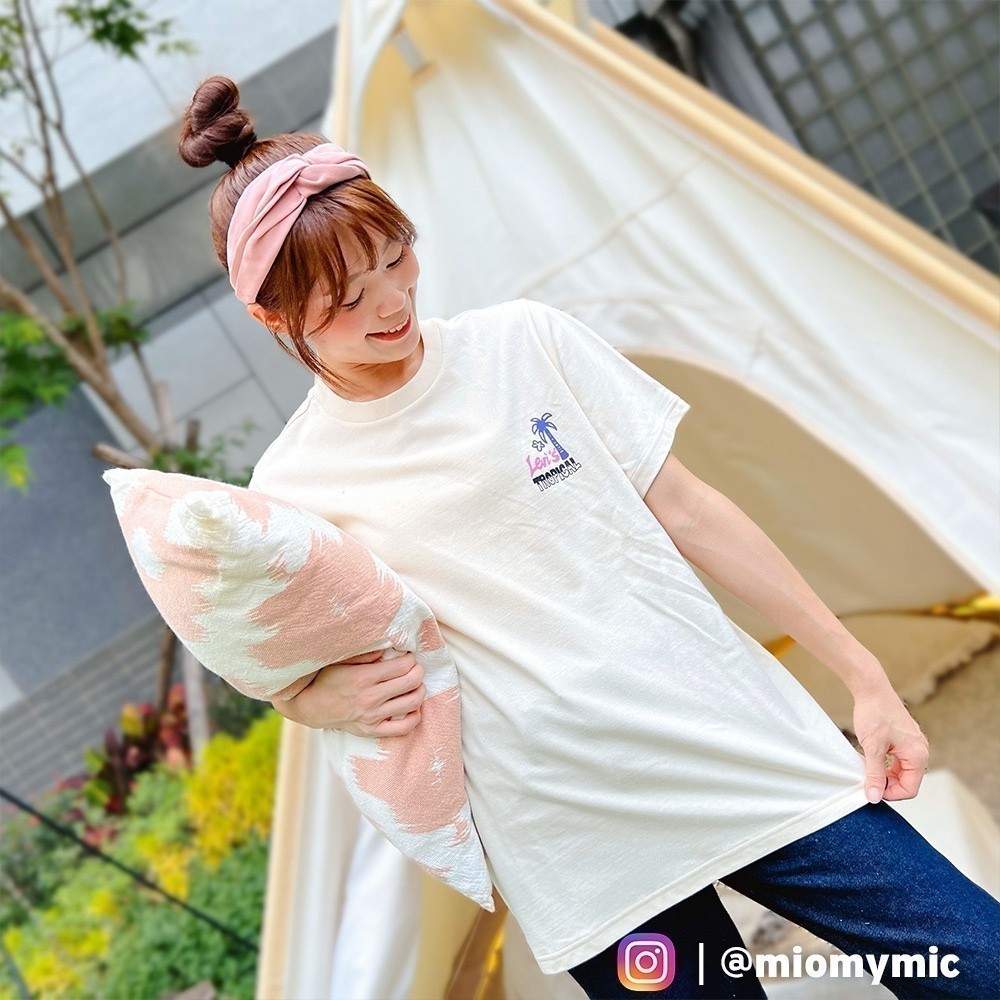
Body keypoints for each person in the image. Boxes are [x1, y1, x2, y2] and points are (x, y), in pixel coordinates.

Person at [178, 76, 1000, 998]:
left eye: (396, 258)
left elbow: (692, 511)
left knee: (976, 961)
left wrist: (864, 677)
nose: (389, 304)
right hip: (578, 845)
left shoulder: (525, 343)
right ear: (272, 317)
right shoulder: (294, 486)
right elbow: (290, 666)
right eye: (343, 299)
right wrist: (316, 700)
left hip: (731, 741)